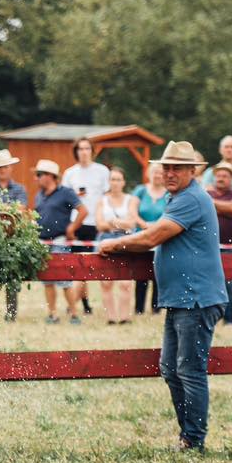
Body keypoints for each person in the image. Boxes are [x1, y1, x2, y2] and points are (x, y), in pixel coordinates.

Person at [99, 141, 227, 452]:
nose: (169, 172)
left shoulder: (191, 199)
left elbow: (155, 235)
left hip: (196, 298)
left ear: (192, 171)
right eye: (166, 167)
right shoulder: (181, 197)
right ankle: (188, 435)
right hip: (183, 298)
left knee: (189, 369)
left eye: (177, 168)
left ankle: (194, 440)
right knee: (171, 367)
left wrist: (115, 244)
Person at [34, 159, 88, 324]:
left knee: (64, 280)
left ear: (50, 176)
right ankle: (52, 314)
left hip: (60, 240)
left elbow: (83, 211)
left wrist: (72, 229)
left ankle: (73, 314)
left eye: (39, 175)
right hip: (42, 241)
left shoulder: (66, 192)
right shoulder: (39, 196)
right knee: (47, 280)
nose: (37, 178)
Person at [60, 138, 109, 315]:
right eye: (80, 149)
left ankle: (73, 302)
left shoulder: (102, 171)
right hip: (76, 222)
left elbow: (106, 197)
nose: (84, 152)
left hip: (95, 223)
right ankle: (84, 304)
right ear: (76, 152)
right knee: (78, 266)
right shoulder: (70, 173)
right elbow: (64, 200)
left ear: (92, 150)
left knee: (89, 267)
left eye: (87, 148)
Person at [94, 166, 142, 324]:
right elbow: (100, 225)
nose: (115, 183)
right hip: (106, 240)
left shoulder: (132, 200)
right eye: (112, 179)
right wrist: (120, 223)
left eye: (118, 179)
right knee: (106, 282)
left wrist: (113, 222)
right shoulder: (102, 201)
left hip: (126, 240)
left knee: (125, 282)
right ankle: (111, 318)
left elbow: (132, 223)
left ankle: (124, 317)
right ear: (109, 182)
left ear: (123, 182)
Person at [207, 161, 232, 324]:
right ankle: (215, 318)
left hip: (231, 246)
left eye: (225, 176)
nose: (221, 178)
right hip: (210, 247)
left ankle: (230, 319)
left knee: (231, 284)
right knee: (212, 285)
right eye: (218, 175)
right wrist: (217, 205)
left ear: (231, 179)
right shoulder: (207, 194)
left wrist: (210, 202)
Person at [133, 162, 169, 313]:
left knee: (158, 272)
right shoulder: (141, 190)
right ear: (149, 173)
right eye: (155, 172)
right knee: (140, 272)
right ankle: (139, 308)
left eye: (160, 173)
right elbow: (132, 211)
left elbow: (169, 213)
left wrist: (156, 227)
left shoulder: (168, 193)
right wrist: (143, 225)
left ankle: (156, 307)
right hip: (141, 234)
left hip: (161, 235)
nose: (157, 175)